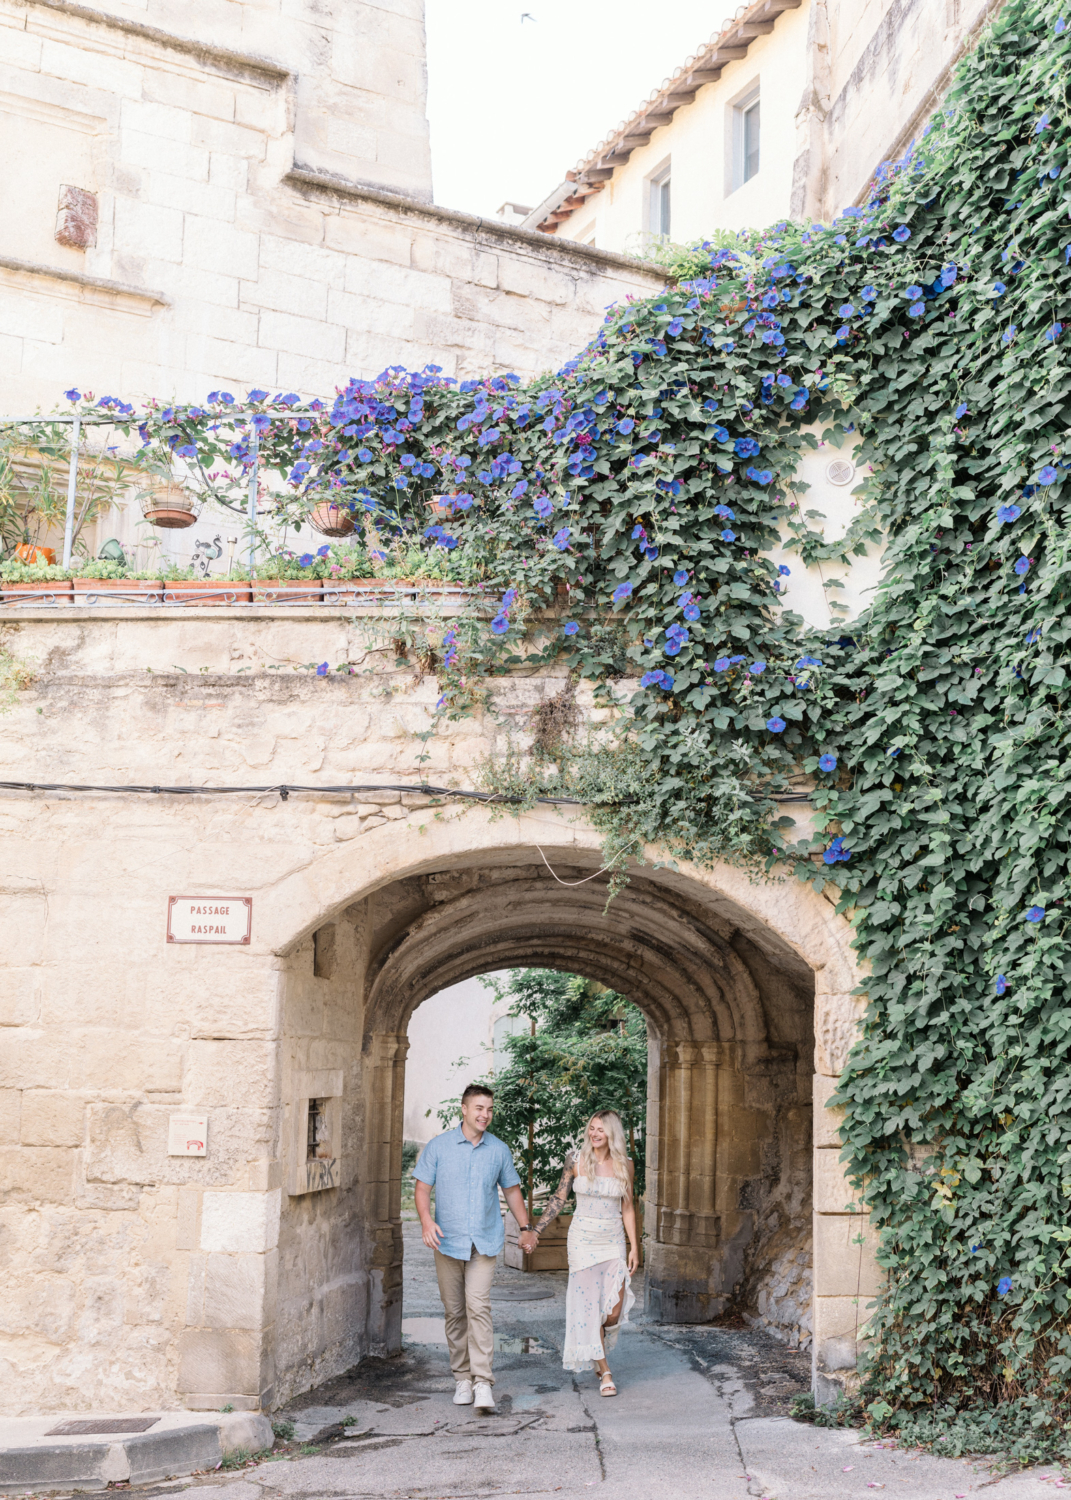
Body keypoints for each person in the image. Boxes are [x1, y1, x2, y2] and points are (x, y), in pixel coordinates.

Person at [413, 1082, 534, 1413]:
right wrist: (426, 1221)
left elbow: (511, 1191)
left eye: (490, 1109)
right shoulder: (438, 1147)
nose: (485, 1115)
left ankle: (482, 1382)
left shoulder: (498, 1150)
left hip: (484, 1240)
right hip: (447, 1241)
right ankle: (462, 1378)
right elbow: (422, 1189)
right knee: (454, 1311)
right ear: (464, 1110)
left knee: (477, 1306)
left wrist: (525, 1228)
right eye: (479, 1108)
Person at [518, 1109, 638, 1397]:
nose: (594, 1134)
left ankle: (596, 1346)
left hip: (612, 1242)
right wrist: (535, 1230)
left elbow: (628, 1208)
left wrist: (635, 1246)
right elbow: (560, 1198)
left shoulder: (626, 1165)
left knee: (612, 1313)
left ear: (612, 1134)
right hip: (582, 1241)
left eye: (601, 1130)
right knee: (588, 1309)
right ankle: (605, 1371)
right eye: (592, 1128)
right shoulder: (575, 1159)